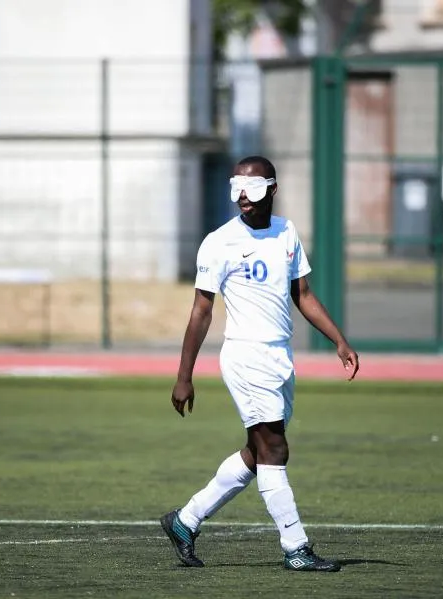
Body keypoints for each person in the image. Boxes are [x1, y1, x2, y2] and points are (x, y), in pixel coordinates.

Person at [159, 155, 359, 572]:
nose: (243, 198)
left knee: (257, 452)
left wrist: (338, 340)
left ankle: (185, 520)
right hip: (245, 356)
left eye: (251, 189)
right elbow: (201, 311)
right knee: (275, 448)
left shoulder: (287, 233)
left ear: (271, 189)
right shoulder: (219, 241)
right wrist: (184, 376)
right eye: (237, 189)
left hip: (279, 357)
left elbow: (302, 294)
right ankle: (296, 548)